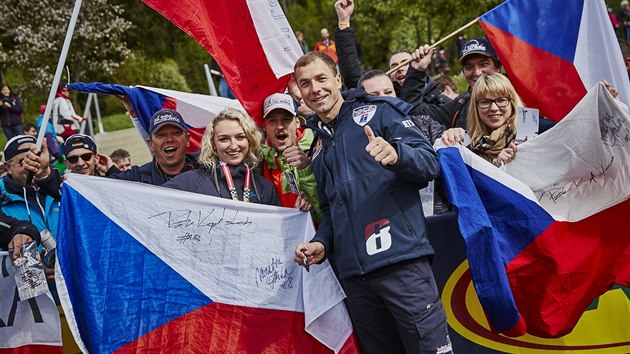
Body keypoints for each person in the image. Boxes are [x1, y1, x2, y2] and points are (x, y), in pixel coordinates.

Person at [292, 51, 452, 354]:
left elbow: (430, 163)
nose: (315, 89)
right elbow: (331, 210)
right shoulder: (317, 143)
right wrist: (322, 244)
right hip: (355, 280)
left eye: (321, 78)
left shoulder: (378, 112)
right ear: (299, 91)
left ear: (338, 80)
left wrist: (397, 155)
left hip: (402, 265)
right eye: (305, 83)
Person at [333, 0, 448, 106]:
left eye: (405, 63)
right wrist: (344, 22)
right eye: (394, 66)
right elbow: (353, 74)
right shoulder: (385, 101)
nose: (399, 68)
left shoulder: (440, 102)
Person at [163, 109, 280, 206]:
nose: (234, 146)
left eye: (240, 137)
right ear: (213, 144)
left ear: (250, 141)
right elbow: (151, 201)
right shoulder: (191, 182)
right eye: (224, 139)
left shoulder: (264, 187)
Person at [261, 93, 321, 222]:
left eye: (286, 119)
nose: (280, 126)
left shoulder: (319, 150)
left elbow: (326, 212)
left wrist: (306, 170)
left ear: (298, 122)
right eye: (272, 120)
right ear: (264, 126)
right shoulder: (258, 162)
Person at [441, 72, 520, 166]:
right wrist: (448, 137)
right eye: (485, 102)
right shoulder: (467, 144)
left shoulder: (532, 135)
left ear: (512, 103)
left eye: (501, 100)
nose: (494, 108)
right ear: (475, 107)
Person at [103, 109, 197, 185]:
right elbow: (100, 188)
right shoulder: (138, 178)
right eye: (161, 135)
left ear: (187, 139)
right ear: (150, 144)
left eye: (176, 133)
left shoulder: (206, 168)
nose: (169, 139)